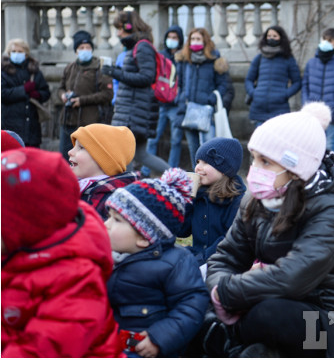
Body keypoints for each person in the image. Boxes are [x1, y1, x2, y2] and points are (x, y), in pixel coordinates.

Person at [205, 102, 334, 357]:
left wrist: (226, 293)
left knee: (268, 314)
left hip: (325, 317)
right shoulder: (256, 199)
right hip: (260, 296)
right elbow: (226, 257)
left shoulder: (328, 208)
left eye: (265, 161)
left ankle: (224, 340)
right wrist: (218, 288)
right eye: (254, 158)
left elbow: (292, 277)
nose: (254, 170)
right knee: (191, 298)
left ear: (295, 168)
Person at [1, 148, 122, 357]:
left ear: (26, 225)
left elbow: (47, 347)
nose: (71, 150)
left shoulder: (76, 277)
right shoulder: (14, 249)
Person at [104, 168, 209, 357]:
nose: (106, 224)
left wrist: (160, 337)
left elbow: (192, 305)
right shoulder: (105, 256)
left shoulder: (176, 262)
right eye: (109, 216)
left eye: (117, 220)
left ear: (145, 237)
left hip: (143, 348)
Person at [101, 10, 170, 174]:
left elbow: (146, 77)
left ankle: (128, 190)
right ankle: (180, 177)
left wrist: (115, 73)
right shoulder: (136, 47)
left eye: (119, 28)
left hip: (133, 113)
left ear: (129, 27)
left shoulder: (142, 46)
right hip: (134, 111)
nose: (117, 33)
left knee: (126, 155)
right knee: (140, 154)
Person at [177, 137, 246, 266]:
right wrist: (184, 199)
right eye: (197, 162)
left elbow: (228, 240)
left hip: (222, 261)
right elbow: (182, 231)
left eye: (206, 163)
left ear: (224, 169)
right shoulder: (198, 194)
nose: (197, 167)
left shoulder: (237, 201)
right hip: (196, 255)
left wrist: (201, 260)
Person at [175, 27, 229, 169]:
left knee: (208, 151)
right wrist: (181, 99)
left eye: (198, 39)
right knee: (194, 151)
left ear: (205, 41)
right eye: (192, 39)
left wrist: (210, 99)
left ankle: (212, 185)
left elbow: (223, 85)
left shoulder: (215, 59)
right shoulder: (184, 60)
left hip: (206, 111)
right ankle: (197, 185)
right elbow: (179, 84)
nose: (195, 42)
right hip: (187, 111)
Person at [58, 30, 114, 161]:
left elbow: (107, 94)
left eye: (88, 47)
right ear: (76, 51)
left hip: (90, 122)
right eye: (81, 47)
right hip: (68, 121)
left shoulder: (99, 68)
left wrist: (81, 100)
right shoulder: (69, 68)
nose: (85, 50)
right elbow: (60, 88)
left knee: (88, 160)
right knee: (65, 158)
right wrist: (63, 95)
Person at [68, 123, 139, 219]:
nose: (70, 152)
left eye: (81, 147)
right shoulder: (74, 186)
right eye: (74, 146)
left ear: (102, 161)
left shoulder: (107, 201)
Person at [302, 28, 334, 154]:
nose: (325, 42)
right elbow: (305, 86)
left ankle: (331, 173)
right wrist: (307, 105)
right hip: (313, 114)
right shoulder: (311, 63)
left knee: (330, 146)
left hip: (332, 114)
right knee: (313, 146)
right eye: (324, 39)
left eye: (329, 40)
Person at [143, 25, 185, 174]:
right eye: (169, 37)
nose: (171, 40)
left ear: (180, 40)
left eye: (175, 38)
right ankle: (146, 171)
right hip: (160, 103)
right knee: (152, 139)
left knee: (176, 140)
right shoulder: (160, 56)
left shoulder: (183, 57)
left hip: (175, 105)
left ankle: (171, 172)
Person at [245, 25, 301, 127]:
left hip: (279, 108)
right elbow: (249, 79)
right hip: (259, 108)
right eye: (269, 35)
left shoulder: (288, 58)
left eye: (275, 36)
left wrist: (284, 94)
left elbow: (297, 82)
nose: (271, 38)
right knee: (260, 141)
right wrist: (254, 93)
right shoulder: (259, 58)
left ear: (281, 38)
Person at [1, 39, 51, 148]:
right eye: (14, 51)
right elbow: (3, 94)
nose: (17, 54)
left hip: (32, 127)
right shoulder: (3, 72)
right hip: (10, 125)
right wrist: (24, 89)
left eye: (20, 51)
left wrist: (38, 95)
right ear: (9, 53)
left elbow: (46, 92)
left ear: (26, 53)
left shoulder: (34, 71)